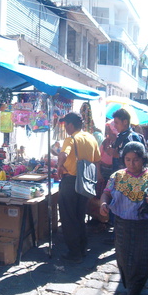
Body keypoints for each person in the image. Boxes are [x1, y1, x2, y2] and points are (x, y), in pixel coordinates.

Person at [100, 142, 148, 295]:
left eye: (135, 160)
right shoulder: (117, 176)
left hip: (146, 227)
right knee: (123, 260)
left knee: (142, 262)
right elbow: (106, 193)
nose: (131, 163)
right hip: (122, 226)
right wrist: (103, 205)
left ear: (143, 159)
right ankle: (132, 289)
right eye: (127, 159)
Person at [56, 112, 101, 263]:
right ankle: (82, 248)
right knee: (80, 216)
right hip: (86, 181)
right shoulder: (90, 138)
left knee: (68, 218)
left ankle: (74, 253)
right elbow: (96, 160)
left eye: (65, 125)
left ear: (70, 125)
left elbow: (63, 154)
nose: (65, 128)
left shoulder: (71, 139)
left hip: (70, 182)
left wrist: (59, 166)